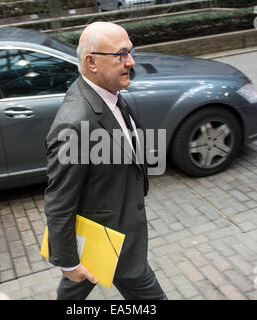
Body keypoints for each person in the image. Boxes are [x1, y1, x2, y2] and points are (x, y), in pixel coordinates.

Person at [44, 22, 167, 300]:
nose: (131, 61)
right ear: (92, 62)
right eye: (121, 54)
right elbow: (59, 200)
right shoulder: (74, 124)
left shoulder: (107, 92)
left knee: (75, 291)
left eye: (131, 52)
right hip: (108, 239)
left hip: (113, 233)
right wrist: (68, 262)